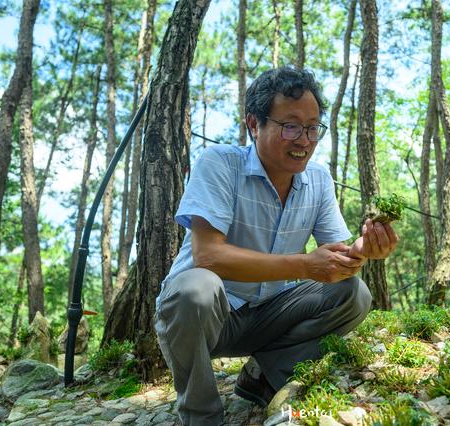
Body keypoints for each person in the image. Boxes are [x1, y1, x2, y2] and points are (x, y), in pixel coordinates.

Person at [154, 66, 399, 425]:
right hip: (207, 317)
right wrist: (302, 265)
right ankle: (200, 413)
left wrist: (366, 248)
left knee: (353, 293)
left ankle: (265, 378)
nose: (304, 139)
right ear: (253, 124)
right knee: (196, 288)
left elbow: (336, 258)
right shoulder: (220, 163)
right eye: (290, 125)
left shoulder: (318, 180)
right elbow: (208, 256)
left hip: (269, 313)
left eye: (313, 127)